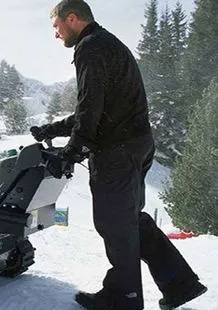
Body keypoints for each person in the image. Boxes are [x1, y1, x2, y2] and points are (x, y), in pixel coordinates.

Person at [30, 1, 208, 309]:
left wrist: (73, 151)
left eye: (57, 26)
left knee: (115, 223)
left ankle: (122, 297)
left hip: (116, 151)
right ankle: (179, 283)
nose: (56, 34)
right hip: (136, 145)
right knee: (131, 220)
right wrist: (52, 129)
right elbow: (98, 107)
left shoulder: (90, 48)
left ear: (72, 18)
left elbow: (90, 108)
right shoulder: (107, 43)